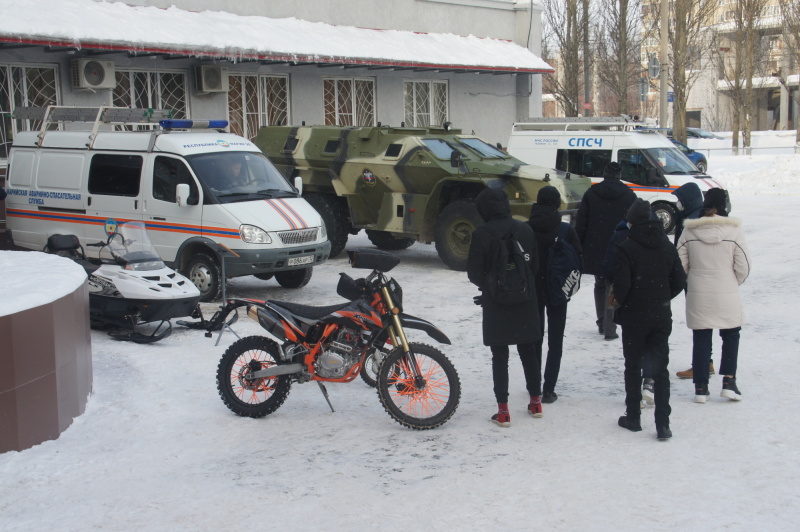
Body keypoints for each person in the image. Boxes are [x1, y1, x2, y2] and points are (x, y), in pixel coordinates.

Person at [467, 187, 542, 427]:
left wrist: (493, 285)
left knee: (500, 355)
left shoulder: (482, 234)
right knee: (529, 350)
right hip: (525, 298)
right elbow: (535, 266)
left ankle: (503, 411)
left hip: (496, 301)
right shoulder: (526, 229)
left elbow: (474, 273)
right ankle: (535, 402)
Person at [613, 199, 686, 440]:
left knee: (633, 367)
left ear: (633, 223)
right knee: (660, 369)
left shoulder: (626, 247)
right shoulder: (666, 246)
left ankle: (633, 417)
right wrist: (662, 297)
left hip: (634, 317)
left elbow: (621, 289)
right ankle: (663, 425)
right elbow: (679, 281)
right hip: (660, 315)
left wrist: (625, 302)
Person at [676, 188, 751, 403]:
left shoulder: (689, 232)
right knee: (731, 334)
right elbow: (744, 265)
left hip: (699, 293)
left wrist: (694, 280)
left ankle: (700, 387)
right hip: (726, 291)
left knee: (701, 337)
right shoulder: (734, 232)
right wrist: (731, 281)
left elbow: (680, 265)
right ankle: (729, 382)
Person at [526, 185, 582, 404]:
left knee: (535, 338)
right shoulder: (566, 230)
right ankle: (549, 389)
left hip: (533, 290)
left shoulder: (527, 228)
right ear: (558, 204)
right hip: (558, 288)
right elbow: (579, 261)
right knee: (555, 340)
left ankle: (534, 386)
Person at [575, 161, 636, 340]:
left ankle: (602, 322)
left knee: (600, 284)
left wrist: (579, 246)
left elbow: (581, 223)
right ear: (619, 174)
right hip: (619, 245)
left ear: (604, 173)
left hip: (595, 247)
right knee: (613, 286)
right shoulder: (629, 195)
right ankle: (610, 327)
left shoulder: (592, 193)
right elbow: (633, 223)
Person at [670, 182, 715, 379]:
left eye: (680, 199)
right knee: (702, 322)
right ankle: (706, 362)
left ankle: (702, 365)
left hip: (696, 279)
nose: (678, 203)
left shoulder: (694, 220)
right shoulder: (691, 216)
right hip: (700, 278)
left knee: (700, 322)